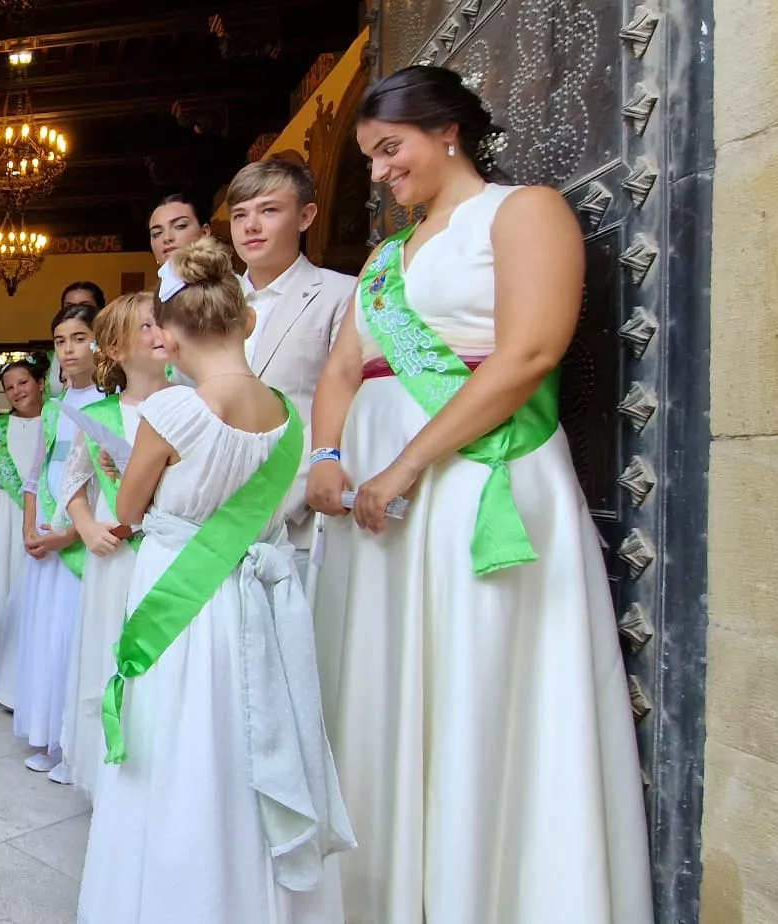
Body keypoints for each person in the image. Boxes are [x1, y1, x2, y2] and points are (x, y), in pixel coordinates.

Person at [309, 65, 652, 924]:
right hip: (376, 495)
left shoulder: (523, 210)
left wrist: (405, 464)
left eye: (390, 150)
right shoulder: (386, 260)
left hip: (477, 474)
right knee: (386, 680)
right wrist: (326, 454)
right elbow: (344, 368)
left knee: (478, 672)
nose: (381, 173)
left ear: (447, 130)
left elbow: (529, 353)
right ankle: (388, 888)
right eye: (371, 158)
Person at [79, 236, 350, 922]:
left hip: (180, 592)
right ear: (247, 320)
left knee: (177, 744)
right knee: (251, 738)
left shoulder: (172, 411)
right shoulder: (288, 414)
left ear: (166, 339)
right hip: (257, 597)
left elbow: (130, 510)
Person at [57, 292, 171, 799]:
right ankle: (107, 769)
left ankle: (158, 767)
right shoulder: (102, 413)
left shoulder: (189, 402)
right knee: (108, 647)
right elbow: (73, 486)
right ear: (118, 348)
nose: (160, 334)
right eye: (147, 327)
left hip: (166, 549)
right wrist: (84, 527)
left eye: (162, 325)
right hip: (112, 551)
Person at [226, 158, 359, 577]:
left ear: (306, 216)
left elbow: (348, 399)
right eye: (240, 215)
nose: (251, 226)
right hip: (211, 514)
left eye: (268, 211)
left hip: (296, 513)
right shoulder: (210, 302)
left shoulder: (340, 293)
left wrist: (288, 499)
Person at [8, 303, 104, 782]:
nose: (69, 349)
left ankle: (75, 746)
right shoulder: (52, 409)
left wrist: (71, 533)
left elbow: (107, 481)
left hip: (79, 538)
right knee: (45, 637)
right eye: (62, 340)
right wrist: (31, 526)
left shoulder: (112, 404)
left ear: (100, 342)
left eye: (80, 338)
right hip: (46, 533)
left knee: (72, 638)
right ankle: (48, 736)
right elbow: (33, 474)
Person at [0, 353, 50, 709]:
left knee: (41, 586)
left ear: (40, 384)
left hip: (45, 512)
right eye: (9, 387)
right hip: (6, 512)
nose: (17, 391)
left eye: (23, 383)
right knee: (8, 585)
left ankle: (41, 675)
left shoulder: (56, 420)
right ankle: (8, 676)